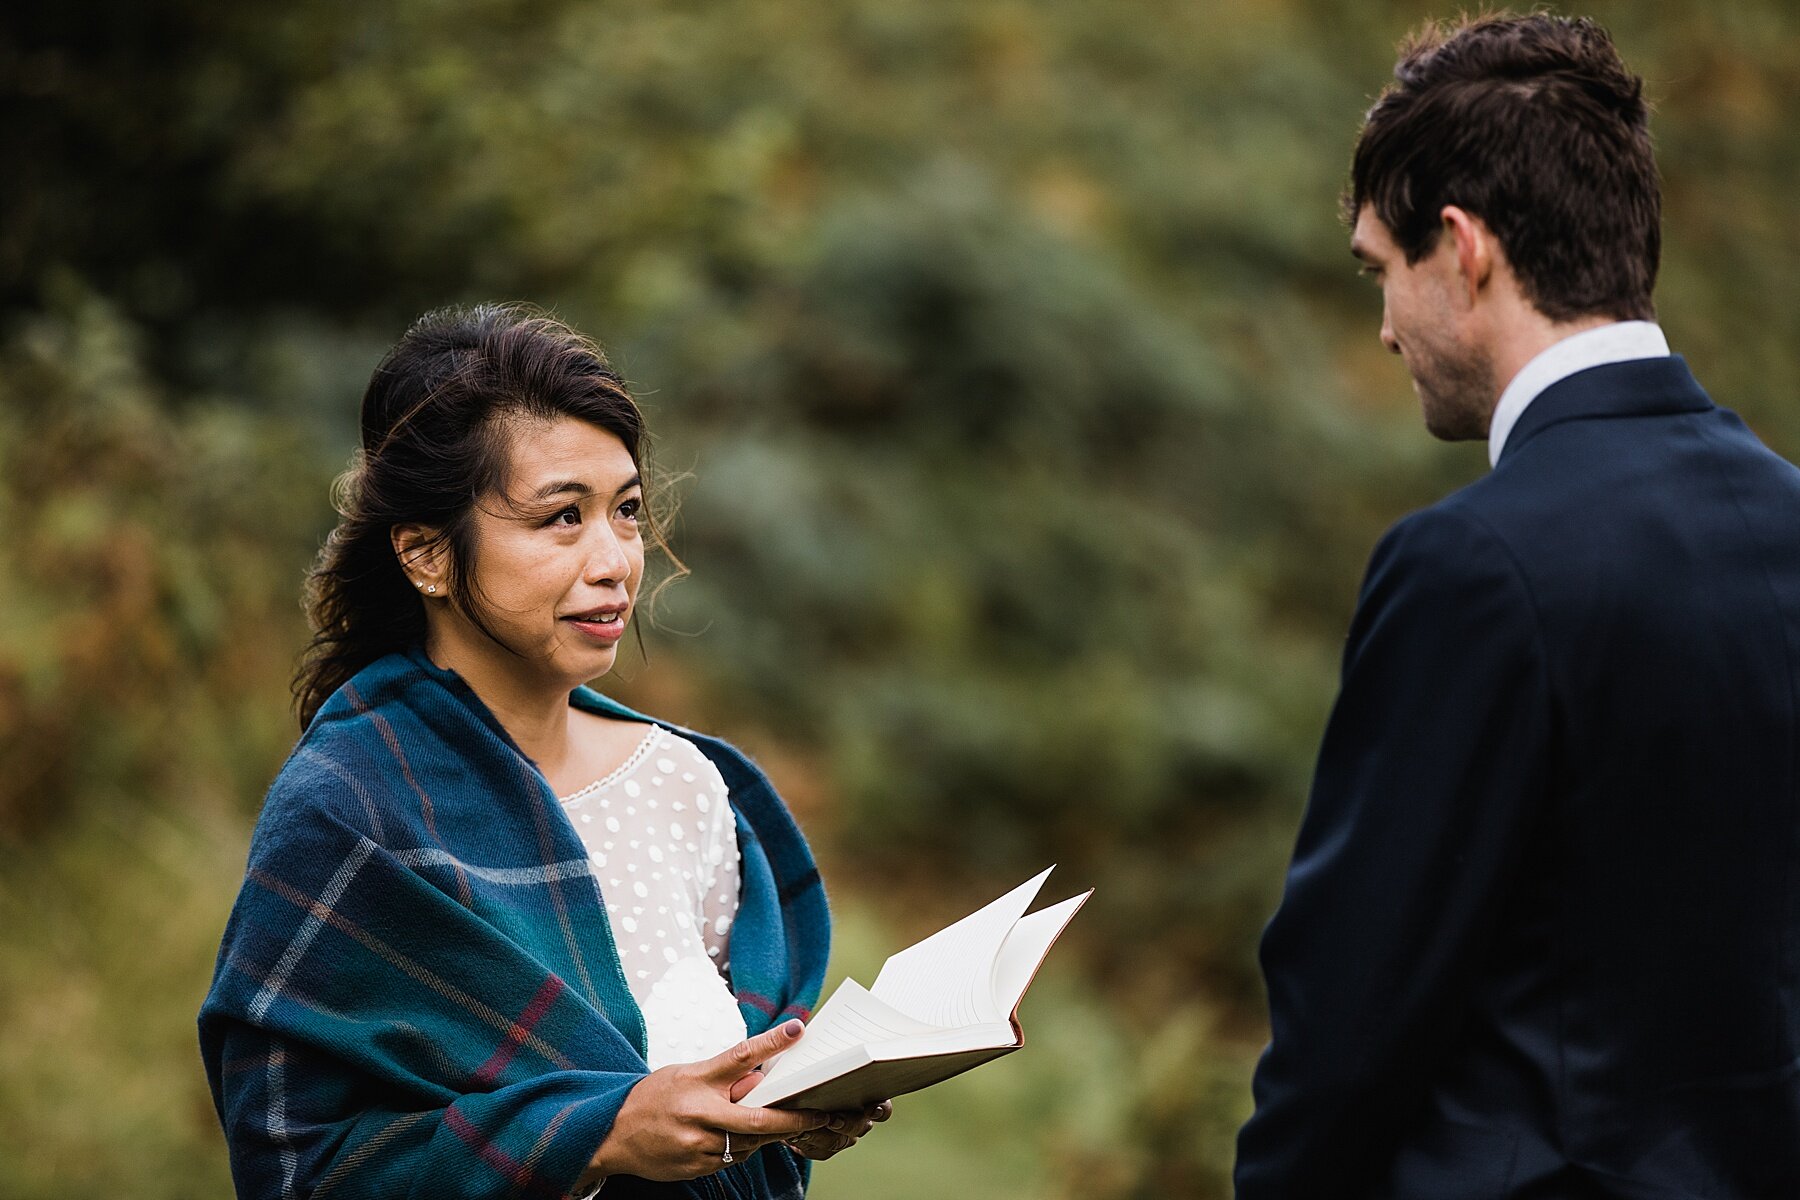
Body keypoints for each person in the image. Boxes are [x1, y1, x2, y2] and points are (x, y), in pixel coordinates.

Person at [1236, 14, 1800, 1198]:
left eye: (1382, 272)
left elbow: (1352, 1011)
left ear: (1465, 248)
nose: (1386, 327)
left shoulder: (1474, 566)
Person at [199, 305, 888, 1199]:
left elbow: (720, 1080)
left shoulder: (680, 783)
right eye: (562, 518)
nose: (614, 562)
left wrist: (788, 1112)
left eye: (627, 512)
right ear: (424, 554)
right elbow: (303, 1168)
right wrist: (596, 1136)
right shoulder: (350, 810)